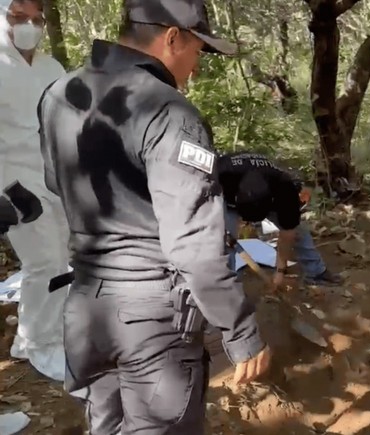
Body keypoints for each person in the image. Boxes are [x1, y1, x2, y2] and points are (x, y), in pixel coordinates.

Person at [37, 0, 271, 432]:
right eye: (198, 52)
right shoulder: (169, 111)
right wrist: (239, 330)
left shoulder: (58, 94)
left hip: (87, 309)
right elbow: (192, 242)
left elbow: (57, 183)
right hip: (153, 320)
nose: (196, 68)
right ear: (172, 37)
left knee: (104, 426)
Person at [0, 0, 70, 382]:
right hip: (13, 186)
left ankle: (30, 337)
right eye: (17, 16)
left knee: (58, 260)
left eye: (35, 18)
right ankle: (44, 346)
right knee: (45, 262)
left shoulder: (50, 67)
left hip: (53, 179)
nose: (28, 24)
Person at [217, 152, 344, 287]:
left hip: (271, 193)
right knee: (221, 240)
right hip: (223, 198)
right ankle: (227, 285)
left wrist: (280, 271)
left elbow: (288, 233)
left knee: (298, 231)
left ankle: (316, 273)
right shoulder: (219, 174)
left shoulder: (285, 189)